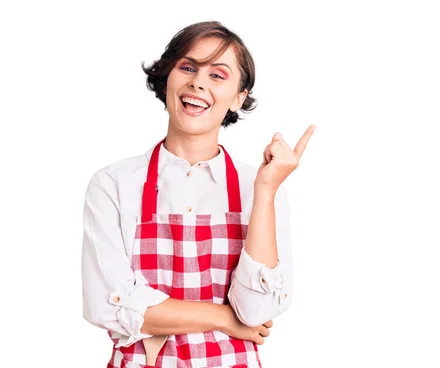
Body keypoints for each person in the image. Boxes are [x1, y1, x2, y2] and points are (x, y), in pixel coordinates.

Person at [81, 20, 315, 368]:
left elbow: (255, 311)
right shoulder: (114, 184)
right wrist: (224, 318)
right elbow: (109, 306)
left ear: (238, 97)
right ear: (167, 78)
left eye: (217, 75)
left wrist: (266, 192)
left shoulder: (261, 188)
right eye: (188, 67)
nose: (198, 82)